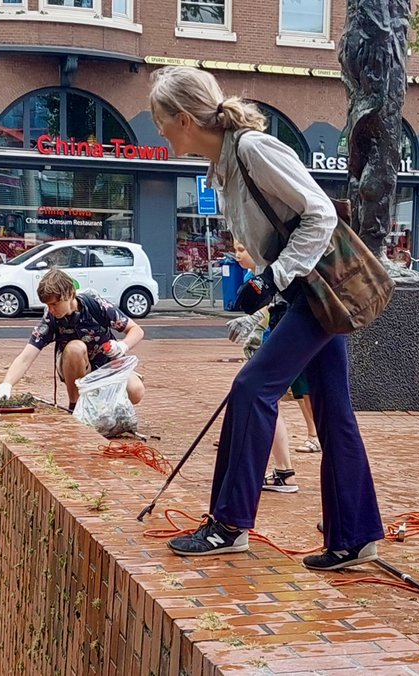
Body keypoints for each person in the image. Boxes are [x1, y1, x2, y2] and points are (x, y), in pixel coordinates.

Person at [150, 66, 383, 571]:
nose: (160, 132)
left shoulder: (252, 149)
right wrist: (269, 282)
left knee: (252, 387)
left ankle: (229, 525)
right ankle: (356, 536)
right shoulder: (225, 166)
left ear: (184, 118)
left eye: (160, 122)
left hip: (317, 292)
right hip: (304, 294)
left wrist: (273, 278)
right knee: (333, 409)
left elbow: (320, 213)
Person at [0, 268, 145, 411]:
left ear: (70, 294)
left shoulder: (96, 306)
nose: (51, 309)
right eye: (47, 305)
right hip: (75, 365)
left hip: (106, 363)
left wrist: (122, 346)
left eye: (54, 304)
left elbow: (136, 330)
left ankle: (103, 402)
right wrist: (6, 385)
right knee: (75, 348)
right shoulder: (50, 320)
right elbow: (26, 357)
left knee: (136, 391)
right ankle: (76, 405)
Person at [224, 240, 298, 493]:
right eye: (235, 249)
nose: (237, 255)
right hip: (280, 331)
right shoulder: (253, 274)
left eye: (242, 249)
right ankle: (283, 470)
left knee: (259, 394)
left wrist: (254, 321)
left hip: (290, 332)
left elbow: (279, 301)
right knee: (265, 398)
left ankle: (278, 471)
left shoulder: (270, 268)